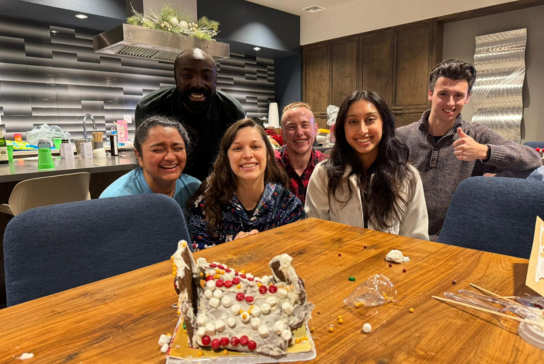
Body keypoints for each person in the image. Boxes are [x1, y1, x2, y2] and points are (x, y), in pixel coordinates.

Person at [396, 59, 542, 240]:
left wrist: (485, 152)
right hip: (403, 234)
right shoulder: (401, 137)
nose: (450, 103)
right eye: (443, 94)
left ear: (467, 98)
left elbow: (532, 157)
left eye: (458, 95)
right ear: (430, 94)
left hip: (450, 239)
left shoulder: (476, 135)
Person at [305, 91, 429, 240]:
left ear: (384, 123)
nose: (362, 130)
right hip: (338, 260)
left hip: (391, 261)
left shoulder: (407, 176)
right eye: (353, 122)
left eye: (370, 120)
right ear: (342, 128)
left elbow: (416, 240)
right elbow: (316, 235)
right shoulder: (324, 174)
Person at [187, 118, 305, 251]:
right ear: (226, 157)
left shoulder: (288, 205)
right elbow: (199, 259)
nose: (248, 155)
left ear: (268, 154)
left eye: (255, 147)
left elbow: (299, 255)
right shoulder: (206, 203)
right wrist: (233, 250)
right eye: (237, 148)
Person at [135, 48, 245, 181]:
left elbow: (237, 159)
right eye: (187, 76)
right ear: (176, 78)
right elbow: (145, 160)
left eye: (206, 77)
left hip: (215, 188)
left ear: (215, 79)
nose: (197, 84)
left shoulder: (231, 111)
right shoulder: (150, 108)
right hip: (165, 186)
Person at [100, 115, 201, 212]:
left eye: (178, 148)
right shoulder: (117, 201)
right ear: (139, 155)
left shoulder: (195, 189)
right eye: (158, 150)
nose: (170, 157)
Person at [274, 102, 328, 205]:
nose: (299, 132)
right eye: (291, 127)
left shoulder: (328, 166)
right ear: (283, 133)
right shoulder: (269, 165)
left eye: (305, 125)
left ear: (315, 129)